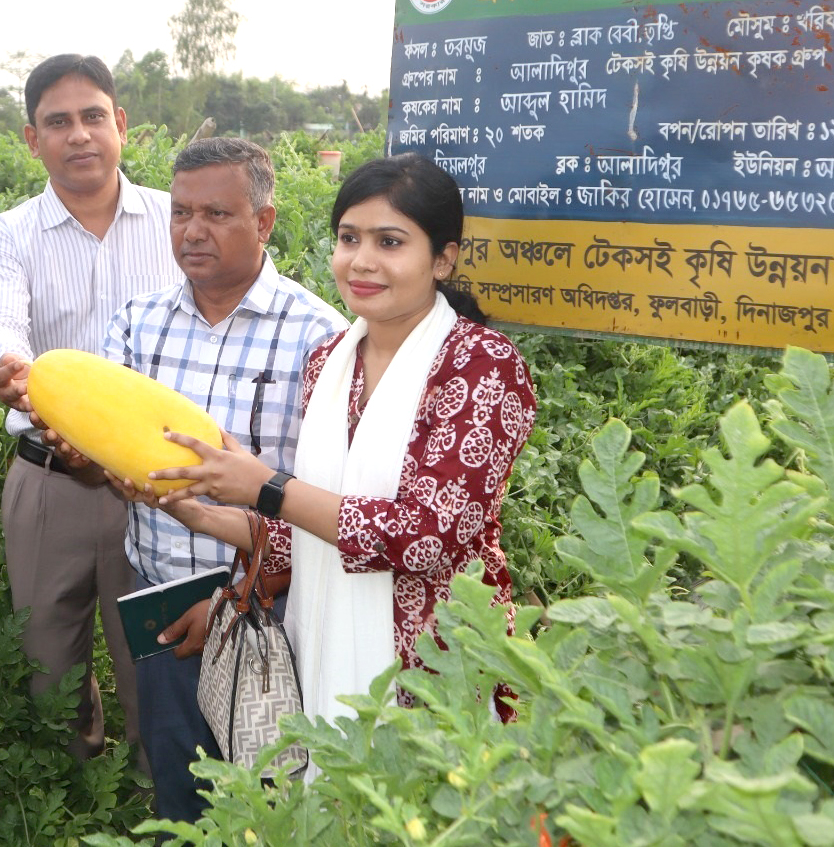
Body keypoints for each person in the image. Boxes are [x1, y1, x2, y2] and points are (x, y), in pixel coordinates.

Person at [137, 153, 537, 758]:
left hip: (433, 666)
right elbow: (314, 526)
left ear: (444, 258)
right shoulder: (330, 361)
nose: (363, 261)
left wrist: (265, 486)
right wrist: (206, 512)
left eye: (391, 241)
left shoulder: (481, 365)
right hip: (322, 653)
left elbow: (431, 537)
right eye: (349, 238)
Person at [95, 137, 347, 821]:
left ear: (263, 222)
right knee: (181, 802)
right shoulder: (136, 325)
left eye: (216, 214)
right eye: (180, 214)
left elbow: (331, 504)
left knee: (274, 805)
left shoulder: (318, 336)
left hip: (273, 618)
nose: (192, 231)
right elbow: (108, 442)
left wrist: (241, 598)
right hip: (166, 607)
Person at [0, 54, 182, 764]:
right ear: (33, 140)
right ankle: (73, 789)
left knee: (155, 650)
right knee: (48, 660)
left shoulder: (175, 222)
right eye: (58, 123)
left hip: (155, 479)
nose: (79, 134)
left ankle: (160, 793)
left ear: (121, 124)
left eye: (93, 117)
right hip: (49, 475)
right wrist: (12, 373)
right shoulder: (7, 235)